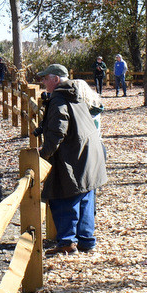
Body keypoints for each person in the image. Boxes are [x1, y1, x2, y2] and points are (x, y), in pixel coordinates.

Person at [36, 64, 108, 255]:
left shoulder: (60, 98)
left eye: (45, 78)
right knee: (85, 195)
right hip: (91, 152)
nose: (43, 83)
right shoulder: (76, 95)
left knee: (63, 196)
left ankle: (67, 242)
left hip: (76, 154)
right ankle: (86, 241)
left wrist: (43, 155)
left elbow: (58, 130)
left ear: (56, 79)